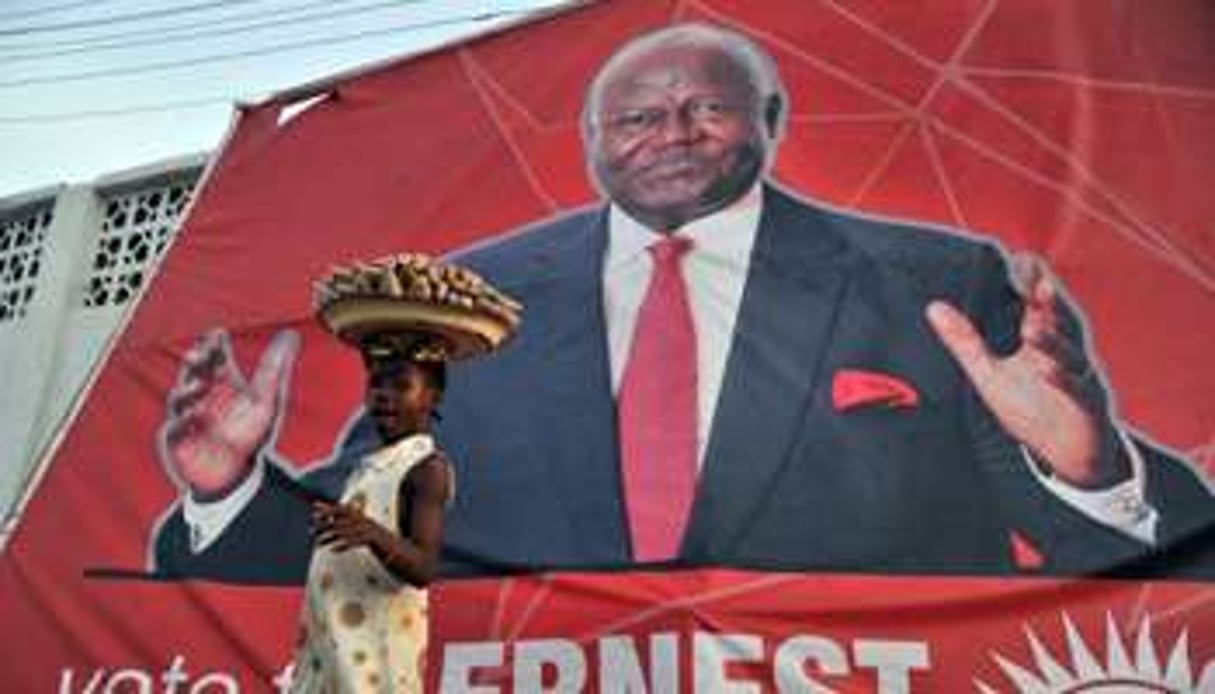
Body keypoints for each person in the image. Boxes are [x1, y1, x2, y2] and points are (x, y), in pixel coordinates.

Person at [150, 23, 1214, 584]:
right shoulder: (471, 302)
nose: (673, 132)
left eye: (707, 106)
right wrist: (233, 491)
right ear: (594, 145)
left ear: (770, 117)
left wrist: (1089, 472)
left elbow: (1132, 563)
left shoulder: (935, 280)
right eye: (637, 119)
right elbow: (368, 536)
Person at [290, 343, 452, 693]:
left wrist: (371, 533)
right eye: (376, 384)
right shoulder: (369, 468)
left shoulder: (427, 468)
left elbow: (423, 567)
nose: (383, 395)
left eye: (400, 385)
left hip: (377, 667)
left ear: (432, 398)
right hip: (329, 656)